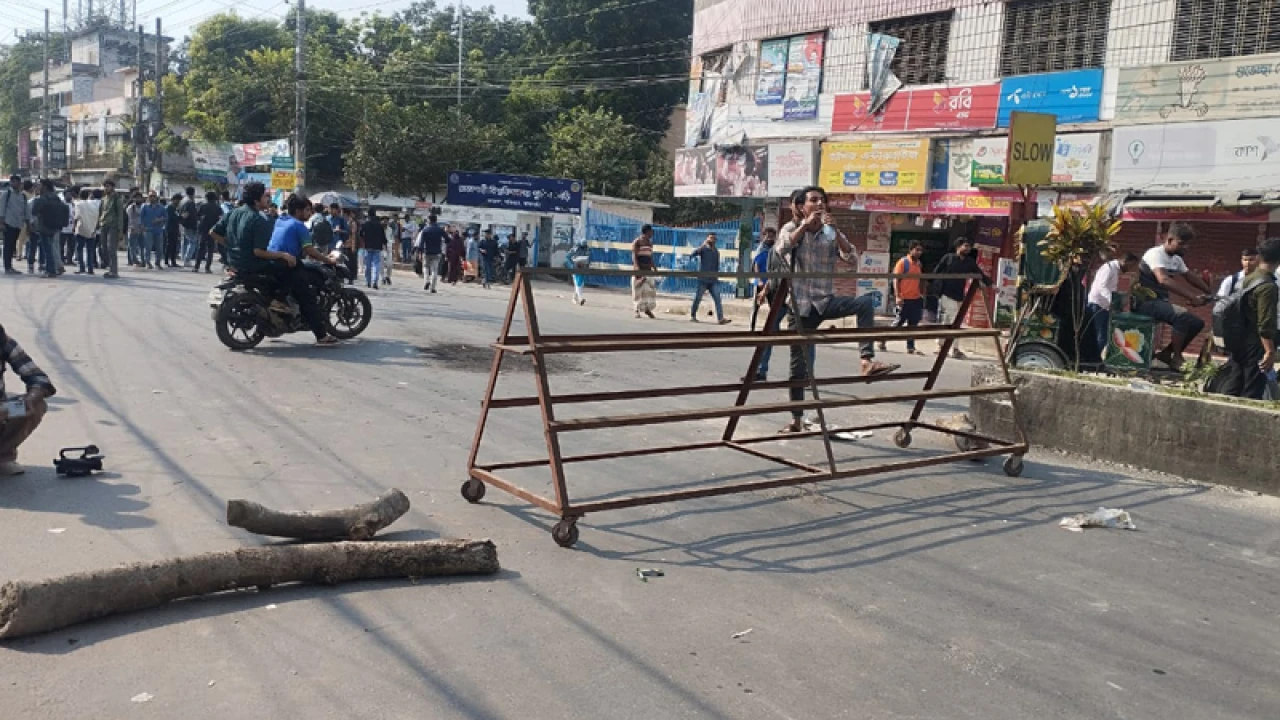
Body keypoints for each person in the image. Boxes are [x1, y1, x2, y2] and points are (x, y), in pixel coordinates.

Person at [777, 185, 898, 434]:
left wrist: (838, 233)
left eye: (822, 200)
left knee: (864, 303)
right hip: (800, 307)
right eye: (813, 200)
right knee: (797, 366)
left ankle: (866, 361)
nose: (820, 204)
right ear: (801, 207)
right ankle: (797, 420)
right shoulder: (790, 228)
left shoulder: (831, 233)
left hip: (824, 301)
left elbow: (852, 259)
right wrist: (804, 226)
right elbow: (781, 251)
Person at [210, 181, 299, 316]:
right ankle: (278, 300)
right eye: (265, 196)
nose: (268, 199)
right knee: (291, 268)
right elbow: (258, 252)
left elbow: (213, 232)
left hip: (233, 262)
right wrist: (283, 255)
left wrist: (230, 245)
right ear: (257, 200)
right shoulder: (257, 219)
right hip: (252, 264)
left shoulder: (233, 213)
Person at [1135, 222, 1212, 370]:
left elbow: (1190, 276)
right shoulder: (1155, 254)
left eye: (1188, 245)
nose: (1186, 248)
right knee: (1182, 316)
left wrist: (1208, 291)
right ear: (1169, 240)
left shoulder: (1176, 259)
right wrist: (1191, 297)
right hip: (1145, 302)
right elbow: (1163, 279)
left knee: (1197, 323)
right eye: (1182, 244)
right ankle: (1176, 358)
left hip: (1160, 302)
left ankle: (1167, 353)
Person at [266, 192, 340, 345]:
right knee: (308, 298)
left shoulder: (281, 220)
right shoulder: (299, 226)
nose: (310, 213)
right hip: (286, 265)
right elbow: (310, 250)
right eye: (307, 210)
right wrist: (328, 259)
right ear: (298, 211)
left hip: (272, 262)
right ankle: (321, 336)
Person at [1212, 238, 1278, 399]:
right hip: (1255, 345)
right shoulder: (1267, 286)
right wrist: (1269, 351)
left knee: (1234, 384)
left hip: (1241, 340)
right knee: (1252, 390)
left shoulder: (1250, 278)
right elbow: (1265, 322)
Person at [0, 323, 57, 475]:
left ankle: (2, 457)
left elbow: (38, 378)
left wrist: (31, 397)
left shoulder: (3, 341)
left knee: (35, 405)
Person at [929, 237, 992, 359]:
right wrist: (932, 285)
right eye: (965, 246)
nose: (967, 249)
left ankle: (940, 346)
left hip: (958, 295)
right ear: (958, 247)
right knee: (955, 320)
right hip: (946, 294)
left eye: (969, 246)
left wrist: (991, 284)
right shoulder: (948, 258)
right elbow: (936, 272)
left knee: (947, 320)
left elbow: (979, 273)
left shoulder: (969, 262)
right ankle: (955, 349)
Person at [1086, 251, 1140, 360]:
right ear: (1125, 261)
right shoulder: (1108, 268)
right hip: (1098, 304)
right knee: (1101, 334)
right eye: (1131, 265)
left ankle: (1098, 358)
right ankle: (1096, 360)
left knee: (1104, 333)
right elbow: (1102, 286)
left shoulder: (1114, 270)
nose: (1131, 269)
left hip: (1104, 306)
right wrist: (1112, 301)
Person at [879, 240, 928, 355]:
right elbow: (896, 280)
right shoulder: (903, 262)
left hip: (915, 298)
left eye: (920, 250)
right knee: (898, 323)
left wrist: (922, 294)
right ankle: (883, 340)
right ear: (910, 250)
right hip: (904, 298)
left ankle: (910, 347)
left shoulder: (919, 264)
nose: (919, 252)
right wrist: (898, 296)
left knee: (913, 324)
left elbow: (920, 280)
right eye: (917, 250)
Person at [747, 227, 783, 381]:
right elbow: (769, 271)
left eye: (773, 235)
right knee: (769, 328)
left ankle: (803, 374)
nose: (770, 237)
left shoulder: (780, 251)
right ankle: (761, 371)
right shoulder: (764, 250)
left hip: (794, 296)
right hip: (775, 290)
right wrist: (763, 287)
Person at [28, 180, 67, 279]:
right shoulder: (56, 197)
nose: (38, 188)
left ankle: (50, 270)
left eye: (40, 186)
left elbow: (34, 211)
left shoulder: (43, 198)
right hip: (55, 226)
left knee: (47, 249)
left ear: (44, 187)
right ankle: (52, 268)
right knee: (52, 247)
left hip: (44, 226)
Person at [689, 232, 730, 324]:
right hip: (703, 279)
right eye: (710, 238)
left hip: (713, 280)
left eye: (714, 239)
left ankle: (720, 318)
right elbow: (693, 254)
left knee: (718, 299)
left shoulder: (716, 252)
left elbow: (716, 265)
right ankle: (693, 315)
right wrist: (702, 245)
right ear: (707, 239)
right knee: (698, 298)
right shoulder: (703, 250)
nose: (712, 240)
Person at [97, 179, 126, 279]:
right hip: (103, 225)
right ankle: (109, 269)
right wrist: (97, 226)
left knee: (111, 249)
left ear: (112, 187)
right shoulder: (104, 199)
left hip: (113, 227)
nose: (106, 188)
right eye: (105, 186)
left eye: (108, 186)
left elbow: (120, 216)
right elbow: (100, 213)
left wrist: (120, 231)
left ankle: (114, 271)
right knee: (104, 248)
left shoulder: (117, 199)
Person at [631, 224, 658, 319]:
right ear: (647, 231)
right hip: (639, 270)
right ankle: (636, 311)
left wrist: (654, 267)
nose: (652, 233)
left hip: (648, 270)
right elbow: (634, 256)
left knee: (648, 291)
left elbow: (650, 257)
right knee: (638, 291)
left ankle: (647, 309)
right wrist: (637, 268)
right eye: (651, 231)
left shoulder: (650, 243)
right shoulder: (637, 242)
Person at [193, 191, 223, 274]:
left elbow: (198, 216)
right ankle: (207, 267)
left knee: (201, 248)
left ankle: (196, 266)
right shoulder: (218, 207)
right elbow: (220, 219)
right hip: (213, 230)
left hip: (203, 229)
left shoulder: (203, 206)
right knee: (210, 249)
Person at [73, 188, 101, 275]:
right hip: (92, 229)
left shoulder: (79, 204)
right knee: (90, 250)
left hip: (81, 228)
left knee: (80, 249)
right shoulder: (93, 206)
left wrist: (74, 227)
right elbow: (97, 218)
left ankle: (81, 267)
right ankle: (90, 268)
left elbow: (77, 216)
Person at [1, 175, 24, 274]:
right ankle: (7, 267)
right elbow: (1, 209)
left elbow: (25, 209)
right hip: (8, 223)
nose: (13, 184)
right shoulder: (7, 194)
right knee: (8, 245)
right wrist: (1, 223)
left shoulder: (22, 195)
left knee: (12, 245)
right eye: (12, 182)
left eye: (15, 182)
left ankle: (10, 266)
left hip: (18, 224)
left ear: (19, 183)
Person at [418, 213, 446, 293]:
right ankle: (433, 288)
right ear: (436, 220)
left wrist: (420, 253)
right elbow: (447, 239)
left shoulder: (425, 230)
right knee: (434, 270)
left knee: (426, 267)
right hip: (437, 252)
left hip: (427, 252)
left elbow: (421, 243)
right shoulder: (440, 230)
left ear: (429, 220)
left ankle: (427, 280)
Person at [140, 191, 167, 269]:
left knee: (159, 248)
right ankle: (147, 262)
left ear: (156, 197)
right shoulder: (144, 207)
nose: (152, 198)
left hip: (158, 230)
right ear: (148, 197)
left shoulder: (161, 207)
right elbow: (141, 218)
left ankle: (158, 263)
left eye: (154, 196)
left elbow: (166, 217)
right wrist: (142, 226)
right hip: (147, 229)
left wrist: (160, 219)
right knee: (148, 247)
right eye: (151, 196)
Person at [360, 209, 386, 289]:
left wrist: (365, 239)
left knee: (368, 265)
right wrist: (384, 243)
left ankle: (368, 281)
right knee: (376, 264)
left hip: (368, 247)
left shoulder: (365, 224)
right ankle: (375, 281)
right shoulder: (380, 225)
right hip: (378, 247)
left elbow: (360, 234)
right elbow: (383, 237)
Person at [179, 186, 200, 267]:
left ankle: (183, 258)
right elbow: (187, 214)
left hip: (182, 224)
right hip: (190, 224)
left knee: (184, 241)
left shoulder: (182, 201)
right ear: (193, 193)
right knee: (192, 242)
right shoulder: (190, 202)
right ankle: (187, 259)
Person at [164, 193, 184, 267]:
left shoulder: (175, 208)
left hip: (175, 228)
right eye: (178, 200)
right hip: (170, 228)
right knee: (169, 245)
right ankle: (166, 261)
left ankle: (173, 261)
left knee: (174, 245)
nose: (179, 202)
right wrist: (181, 217)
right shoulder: (169, 208)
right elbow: (173, 218)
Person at [126, 191, 144, 267]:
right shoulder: (130, 208)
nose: (138, 199)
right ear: (134, 199)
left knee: (142, 246)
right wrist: (131, 227)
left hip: (142, 229)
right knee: (132, 246)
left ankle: (143, 260)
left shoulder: (144, 207)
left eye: (139, 197)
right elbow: (129, 218)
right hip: (133, 229)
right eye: (136, 198)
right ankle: (134, 260)